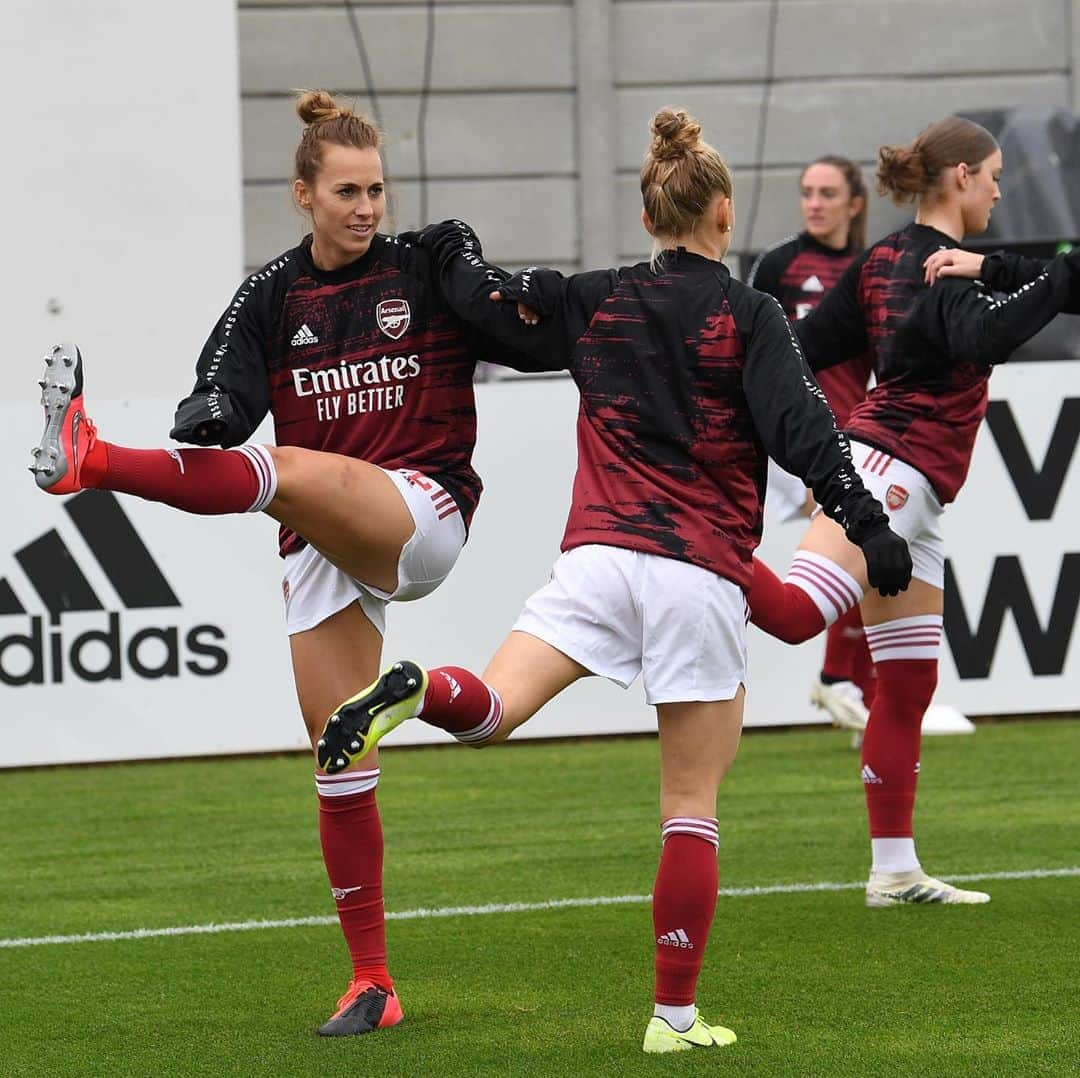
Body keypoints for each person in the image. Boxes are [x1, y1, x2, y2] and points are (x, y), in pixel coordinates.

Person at [311, 107, 911, 1052]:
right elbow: (808, 435)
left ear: (645, 219)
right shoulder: (747, 314)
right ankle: (673, 1017)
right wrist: (871, 530)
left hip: (594, 558)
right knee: (690, 802)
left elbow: (491, 305)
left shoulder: (596, 297)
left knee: (494, 710)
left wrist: (445, 246)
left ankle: (423, 687)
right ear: (722, 212)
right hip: (698, 570)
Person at [30, 90, 540, 1037]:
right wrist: (211, 423)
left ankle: (88, 461)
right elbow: (219, 388)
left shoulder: (423, 265)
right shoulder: (271, 293)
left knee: (284, 471)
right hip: (320, 542)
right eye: (346, 192)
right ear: (302, 194)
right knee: (340, 752)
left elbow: (514, 319)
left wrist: (502, 284)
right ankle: (373, 983)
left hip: (420, 512)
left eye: (376, 190)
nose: (366, 208)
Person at [743, 116, 1080, 906]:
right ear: (960, 177)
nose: (1000, 188)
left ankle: (893, 871)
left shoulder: (882, 257)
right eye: (993, 174)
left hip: (914, 488)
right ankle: (695, 543)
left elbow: (801, 348)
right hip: (889, 471)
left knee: (907, 683)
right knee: (796, 616)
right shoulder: (937, 270)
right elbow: (990, 333)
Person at [747, 156, 877, 733]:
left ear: (855, 203)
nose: (814, 203)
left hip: (856, 437)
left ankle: (851, 690)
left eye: (827, 193)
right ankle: (842, 684)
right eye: (806, 192)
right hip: (795, 442)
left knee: (872, 560)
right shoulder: (778, 264)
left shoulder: (871, 268)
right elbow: (749, 348)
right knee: (861, 556)